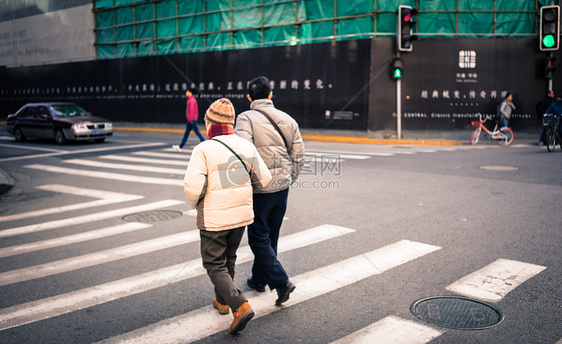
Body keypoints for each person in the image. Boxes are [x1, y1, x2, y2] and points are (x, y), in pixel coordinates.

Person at [183, 98, 272, 334]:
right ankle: (222, 301)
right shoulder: (246, 146)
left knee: (213, 263)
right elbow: (265, 180)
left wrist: (196, 204)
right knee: (228, 258)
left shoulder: (203, 149)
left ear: (210, 122)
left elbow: (192, 189)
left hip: (214, 217)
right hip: (241, 215)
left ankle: (239, 305)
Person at [235, 76, 305, 306]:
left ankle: (281, 282)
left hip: (260, 189)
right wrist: (288, 179)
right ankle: (258, 279)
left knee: (257, 238)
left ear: (249, 97)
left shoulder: (245, 118)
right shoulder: (288, 119)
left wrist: (252, 182)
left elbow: (243, 153)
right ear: (271, 95)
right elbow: (299, 156)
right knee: (270, 235)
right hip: (282, 188)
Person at [173, 88, 205, 152]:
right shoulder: (190, 100)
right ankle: (180, 146)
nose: (186, 93)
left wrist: (190, 120)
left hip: (192, 120)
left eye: (187, 92)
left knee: (197, 133)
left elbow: (192, 111)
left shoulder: (192, 100)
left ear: (190, 93)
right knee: (187, 134)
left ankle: (206, 144)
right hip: (191, 120)